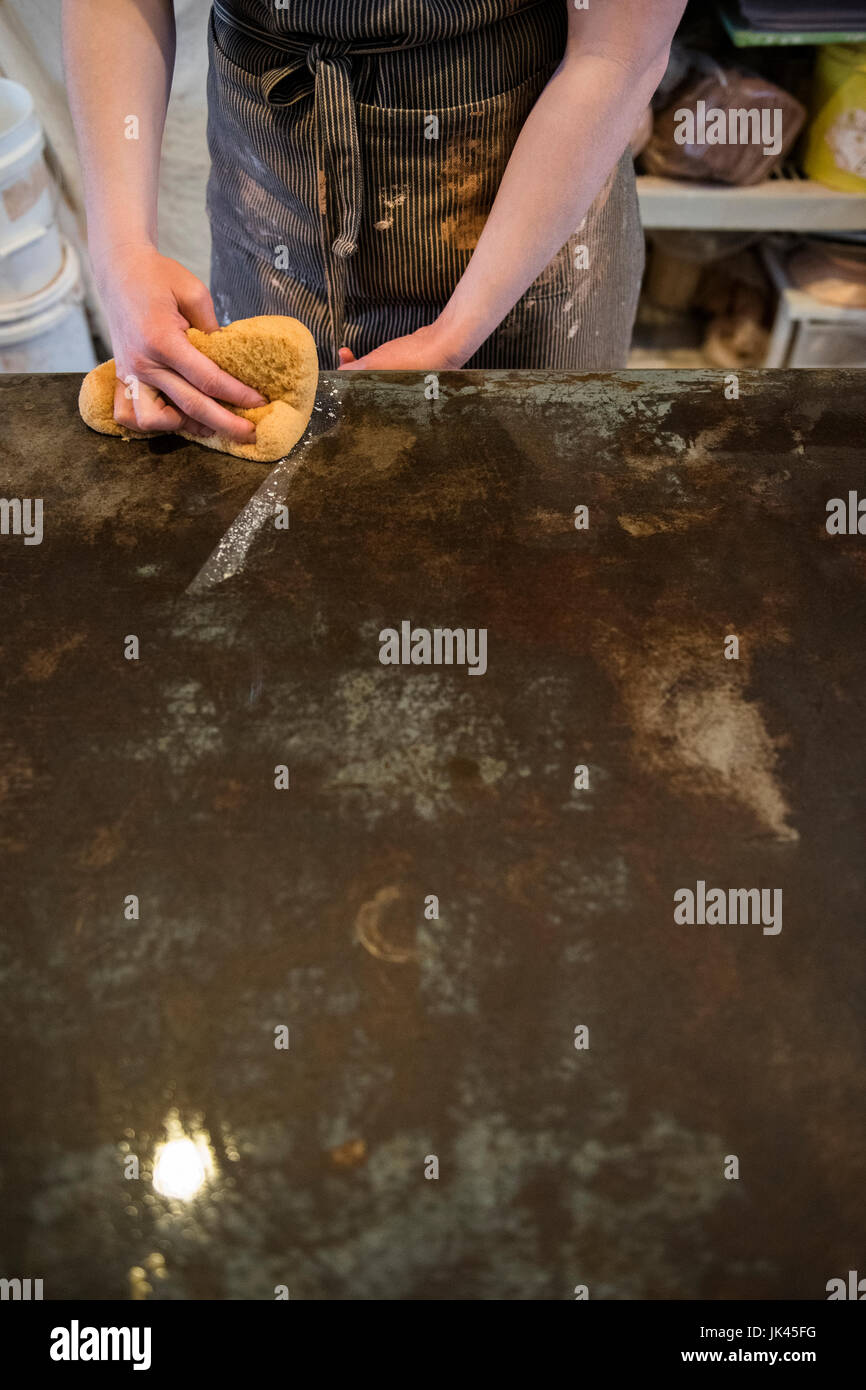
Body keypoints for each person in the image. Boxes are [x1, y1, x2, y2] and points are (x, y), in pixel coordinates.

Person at [63, 0, 685, 445]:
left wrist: (453, 336)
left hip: (524, 210)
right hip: (271, 190)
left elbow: (616, 51)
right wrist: (120, 249)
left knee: (518, 546)